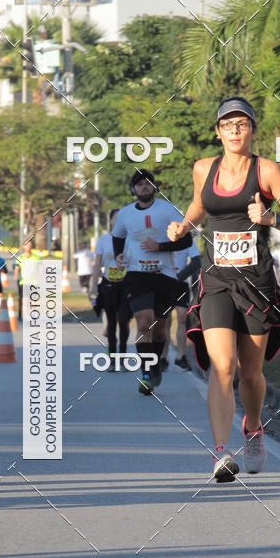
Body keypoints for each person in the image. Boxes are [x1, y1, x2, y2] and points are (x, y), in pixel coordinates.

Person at [167, 96, 280, 482]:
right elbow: (200, 203)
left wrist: (269, 217)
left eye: (241, 124)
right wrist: (183, 225)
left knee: (250, 374)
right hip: (215, 281)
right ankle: (219, 452)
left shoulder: (267, 171)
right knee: (222, 366)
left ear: (252, 130)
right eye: (227, 124)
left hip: (256, 283)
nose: (234, 130)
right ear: (217, 131)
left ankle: (253, 427)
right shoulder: (202, 169)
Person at [112, 169, 193, 394]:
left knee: (159, 329)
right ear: (133, 189)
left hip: (164, 276)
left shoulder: (167, 210)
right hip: (136, 275)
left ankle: (155, 363)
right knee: (144, 322)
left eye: (148, 184)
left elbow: (187, 239)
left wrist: (161, 246)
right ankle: (147, 374)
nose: (144, 187)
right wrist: (119, 255)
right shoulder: (125, 214)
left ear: (154, 187)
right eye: (139, 184)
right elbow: (117, 236)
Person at [90, 209, 133, 371]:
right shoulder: (103, 240)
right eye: (117, 218)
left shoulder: (130, 239)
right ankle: (113, 359)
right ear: (111, 221)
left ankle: (122, 357)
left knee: (123, 320)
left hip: (126, 284)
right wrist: (93, 285)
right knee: (111, 323)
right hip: (108, 285)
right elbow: (97, 265)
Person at [169, 237, 202, 372]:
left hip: (180, 283)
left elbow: (196, 262)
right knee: (164, 321)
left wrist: (179, 276)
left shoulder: (187, 238)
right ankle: (163, 357)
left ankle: (180, 356)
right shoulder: (160, 235)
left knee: (182, 318)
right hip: (164, 282)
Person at [13, 239, 41, 321]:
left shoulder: (36, 257)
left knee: (34, 300)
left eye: (29, 244)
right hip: (24, 282)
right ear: (23, 246)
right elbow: (17, 269)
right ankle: (26, 317)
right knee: (25, 299)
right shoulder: (20, 258)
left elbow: (41, 269)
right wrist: (15, 276)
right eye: (26, 244)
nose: (28, 246)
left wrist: (39, 277)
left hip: (34, 282)